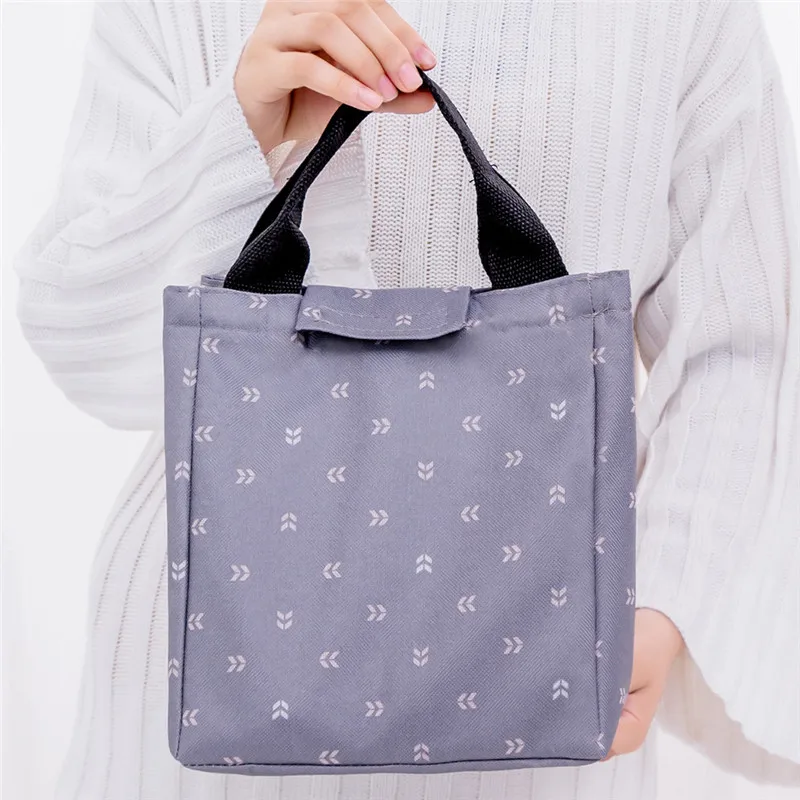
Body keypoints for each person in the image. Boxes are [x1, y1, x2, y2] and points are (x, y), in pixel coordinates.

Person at [13, 0, 800, 798]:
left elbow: (744, 345)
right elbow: (87, 353)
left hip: (544, 688)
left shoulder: (683, 15)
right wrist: (245, 133)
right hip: (203, 670)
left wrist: (660, 602)